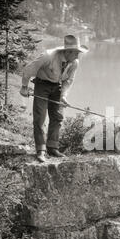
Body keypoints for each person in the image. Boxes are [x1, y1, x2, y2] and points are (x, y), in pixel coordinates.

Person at [20, 35, 88, 163]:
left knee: (57, 116)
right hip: (42, 84)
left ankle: (52, 147)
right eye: (76, 53)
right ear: (68, 51)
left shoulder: (74, 62)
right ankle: (40, 150)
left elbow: (69, 80)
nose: (78, 56)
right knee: (40, 117)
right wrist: (24, 86)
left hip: (57, 86)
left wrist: (63, 96)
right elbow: (29, 69)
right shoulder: (48, 56)